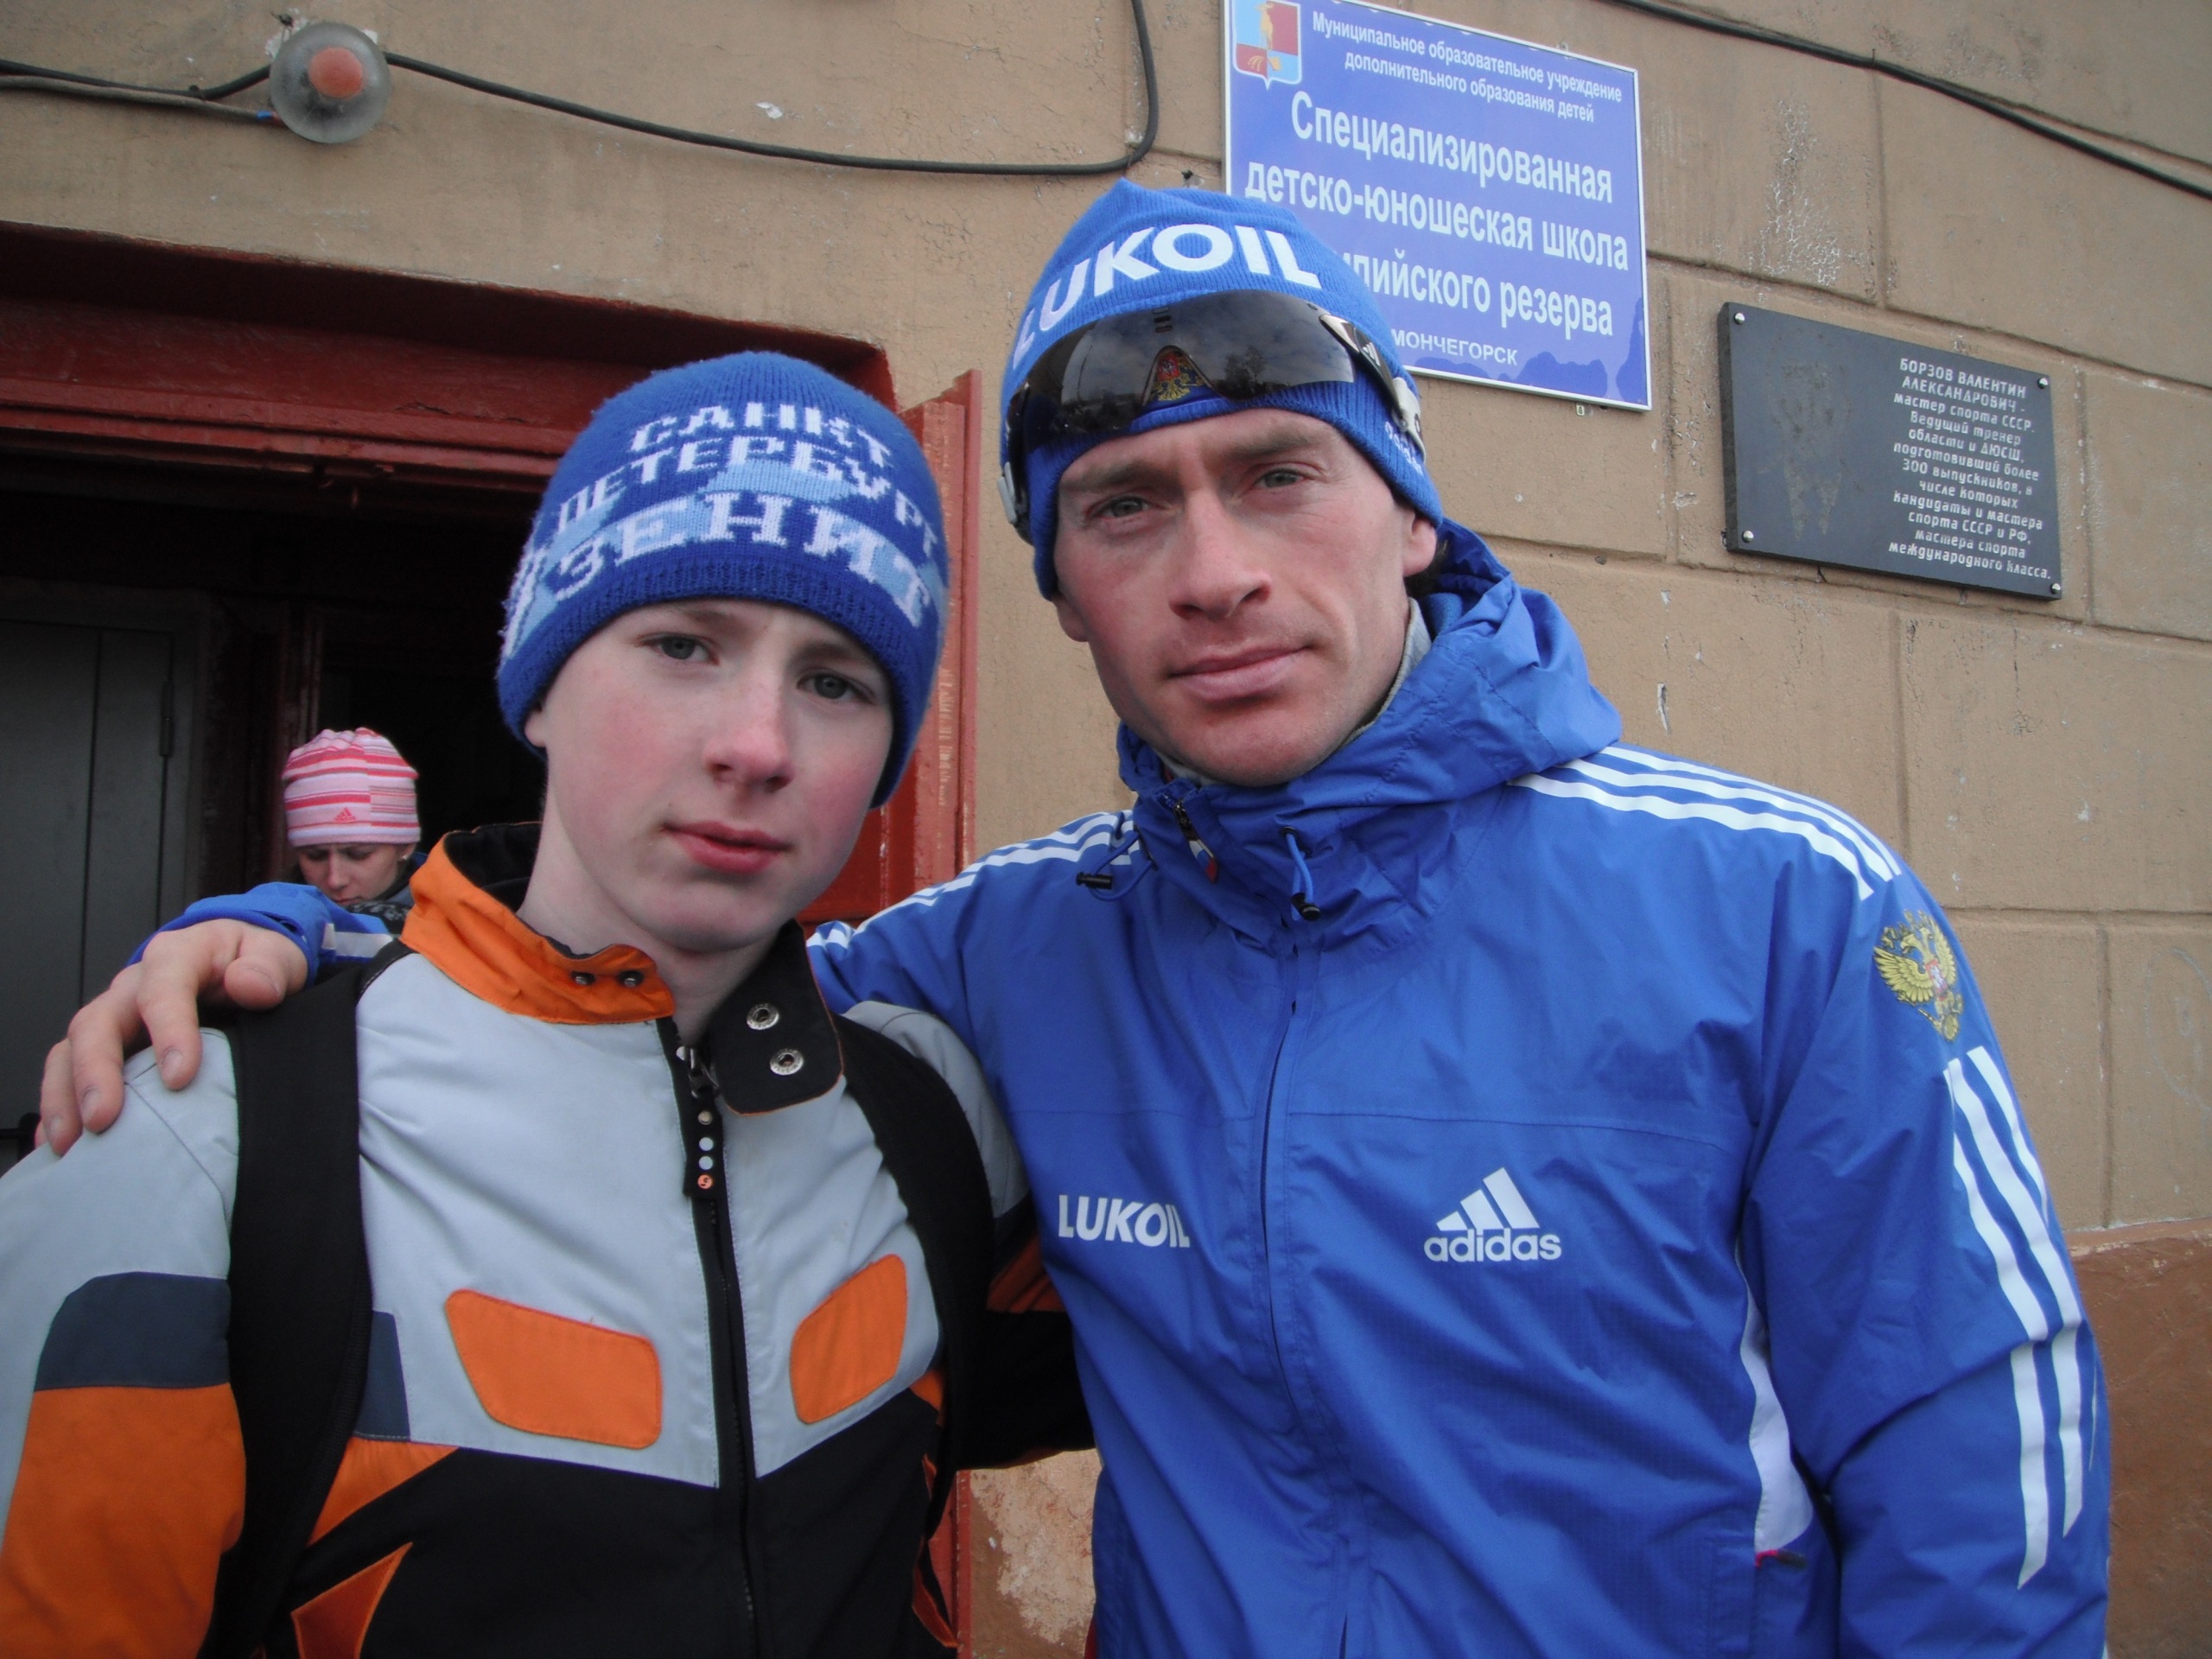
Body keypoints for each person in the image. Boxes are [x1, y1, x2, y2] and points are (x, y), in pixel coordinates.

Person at [39, 184, 2107, 1656]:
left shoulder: (1773, 904)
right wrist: (311, 949)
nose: (1211, 571)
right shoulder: (999, 958)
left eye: (1277, 473)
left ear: (1409, 510)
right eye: (1124, 507)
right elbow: (620, 1006)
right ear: (1060, 596)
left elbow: (1977, 1466)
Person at [1, 352, 1084, 1656]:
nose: (757, 744)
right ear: (541, 679)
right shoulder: (197, 1141)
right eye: (682, 645)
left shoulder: (931, 1115)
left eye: (836, 681)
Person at [283, 727, 424, 926]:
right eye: (315, 856)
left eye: (359, 854)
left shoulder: (454, 924)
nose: (335, 880)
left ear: (406, 847)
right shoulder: (271, 916)